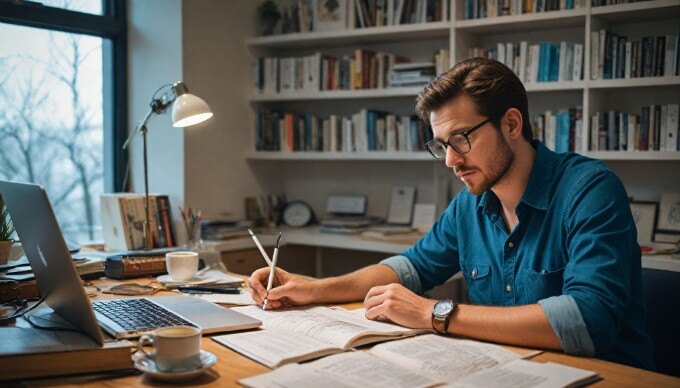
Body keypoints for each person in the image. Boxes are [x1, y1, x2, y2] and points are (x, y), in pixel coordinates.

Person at [248, 57, 654, 370]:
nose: (449, 161)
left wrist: (432, 313)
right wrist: (312, 288)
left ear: (512, 123)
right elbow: (411, 267)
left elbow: (589, 319)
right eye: (440, 145)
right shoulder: (471, 202)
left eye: (460, 139)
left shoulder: (589, 190)